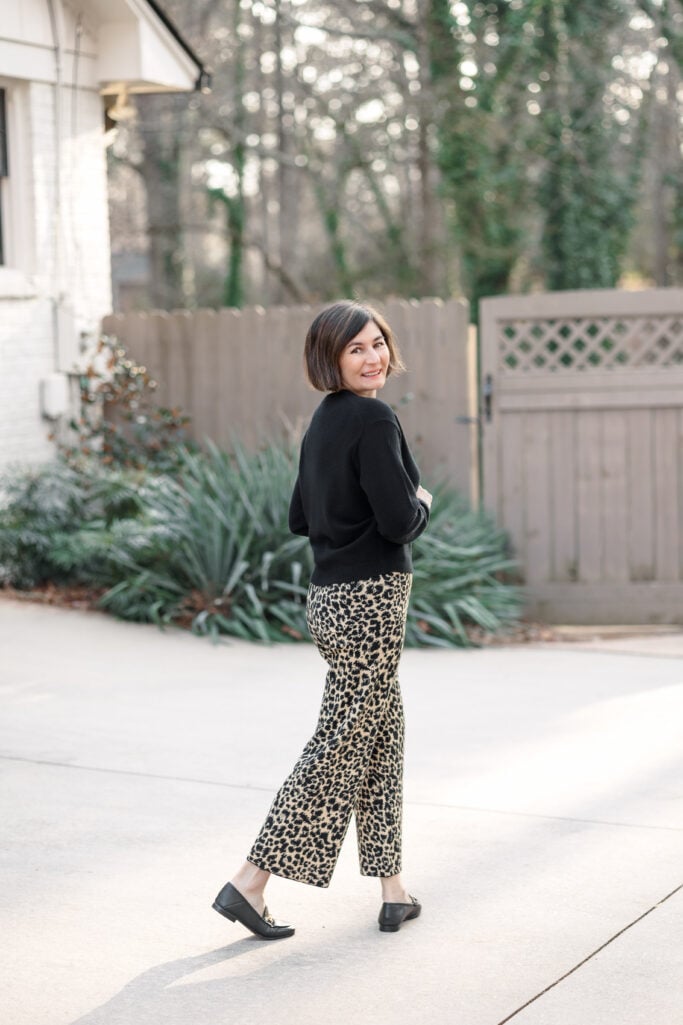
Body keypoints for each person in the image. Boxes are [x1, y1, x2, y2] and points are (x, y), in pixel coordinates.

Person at [212, 300, 432, 939]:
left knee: (379, 735)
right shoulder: (372, 417)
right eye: (357, 349)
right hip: (370, 600)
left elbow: (300, 518)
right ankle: (248, 882)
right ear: (330, 359)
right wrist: (419, 502)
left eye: (378, 343)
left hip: (330, 598)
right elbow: (397, 521)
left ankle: (394, 889)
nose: (373, 357)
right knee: (339, 744)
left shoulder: (324, 422)